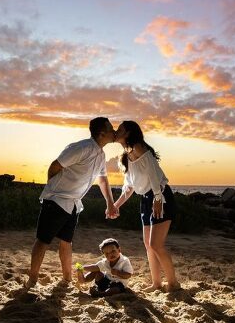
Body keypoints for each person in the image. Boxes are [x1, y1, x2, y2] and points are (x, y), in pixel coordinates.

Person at [25, 117, 118, 290]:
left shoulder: (101, 155)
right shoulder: (82, 147)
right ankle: (32, 279)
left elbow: (103, 180)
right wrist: (52, 189)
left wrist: (110, 204)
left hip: (74, 204)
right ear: (101, 133)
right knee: (43, 240)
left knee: (66, 241)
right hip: (56, 200)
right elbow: (55, 166)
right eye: (111, 129)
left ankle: (67, 278)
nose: (114, 131)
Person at [112, 120, 180, 292]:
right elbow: (129, 188)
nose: (116, 131)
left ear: (127, 133)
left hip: (160, 196)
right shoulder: (126, 157)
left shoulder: (139, 147)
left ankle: (173, 283)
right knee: (149, 245)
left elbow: (152, 173)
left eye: (120, 129)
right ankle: (156, 283)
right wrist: (115, 206)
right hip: (145, 198)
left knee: (156, 244)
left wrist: (158, 198)